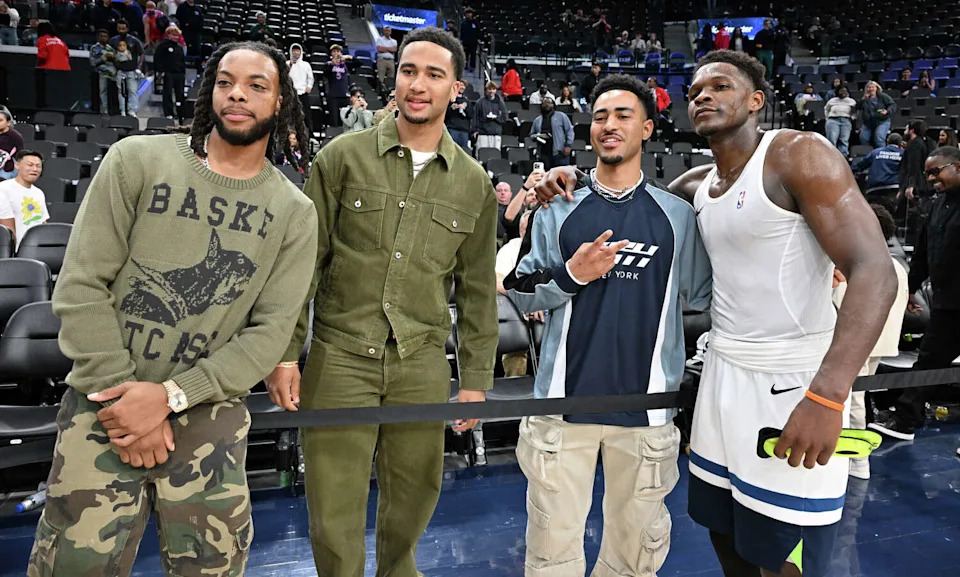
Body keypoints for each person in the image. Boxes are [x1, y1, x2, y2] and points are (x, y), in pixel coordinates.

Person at [533, 49, 897, 577]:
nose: (704, 95)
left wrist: (828, 394)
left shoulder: (799, 154)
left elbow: (875, 271)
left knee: (788, 556)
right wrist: (564, 175)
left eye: (721, 86)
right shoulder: (694, 187)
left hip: (792, 380)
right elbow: (628, 199)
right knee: (726, 537)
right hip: (720, 376)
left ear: (756, 101)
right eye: (696, 91)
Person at [25, 41, 318, 577]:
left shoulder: (294, 212)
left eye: (257, 86)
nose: (237, 94)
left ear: (280, 102)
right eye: (226, 82)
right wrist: (125, 398)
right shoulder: (138, 159)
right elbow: (81, 284)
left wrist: (169, 397)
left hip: (209, 418)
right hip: (104, 408)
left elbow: (269, 334)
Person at [267, 26, 498, 577]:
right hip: (340, 357)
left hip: (421, 361)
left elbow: (477, 290)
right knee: (332, 506)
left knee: (417, 491)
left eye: (434, 75)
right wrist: (285, 353)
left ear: (456, 89)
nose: (418, 85)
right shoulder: (341, 158)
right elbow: (304, 265)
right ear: (394, 80)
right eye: (408, 71)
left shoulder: (474, 184)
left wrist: (475, 379)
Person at [504, 73, 712, 577]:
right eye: (600, 116)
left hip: (647, 412)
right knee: (551, 556)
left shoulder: (678, 217)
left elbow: (707, 295)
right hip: (562, 407)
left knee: (634, 559)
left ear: (647, 128)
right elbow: (519, 287)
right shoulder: (557, 207)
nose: (609, 125)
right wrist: (573, 274)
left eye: (623, 115)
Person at [870, 146, 960, 443]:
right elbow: (922, 253)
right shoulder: (936, 204)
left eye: (936, 171)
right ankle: (905, 420)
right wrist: (909, 289)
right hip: (947, 305)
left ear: (958, 167)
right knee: (928, 363)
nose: (930, 178)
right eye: (927, 173)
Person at [831, 203, 909, 480]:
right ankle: (854, 458)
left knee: (853, 401)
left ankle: (858, 459)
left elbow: (840, 308)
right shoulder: (897, 266)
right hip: (879, 343)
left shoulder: (857, 267)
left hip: (855, 344)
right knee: (856, 398)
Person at [0, 150, 49, 249]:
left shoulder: (39, 193)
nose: (34, 169)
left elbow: (42, 222)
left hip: (36, 249)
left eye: (38, 166)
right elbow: (7, 230)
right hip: (13, 250)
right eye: (30, 165)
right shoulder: (4, 189)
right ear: (17, 165)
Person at [851, 133, 903, 201]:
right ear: (900, 143)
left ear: (887, 140)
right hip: (894, 188)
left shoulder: (876, 152)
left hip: (875, 189)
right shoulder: (903, 153)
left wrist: (848, 169)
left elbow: (860, 166)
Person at [530, 97, 573, 170]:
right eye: (544, 103)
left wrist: (568, 145)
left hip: (559, 152)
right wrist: (537, 136)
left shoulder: (561, 116)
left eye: (549, 103)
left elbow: (569, 131)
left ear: (553, 105)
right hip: (543, 153)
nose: (546, 104)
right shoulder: (537, 120)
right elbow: (532, 135)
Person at [154, 25, 186, 119]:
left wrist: (183, 72)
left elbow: (182, 61)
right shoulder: (162, 46)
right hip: (168, 73)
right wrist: (161, 71)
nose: (175, 37)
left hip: (179, 74)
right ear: (168, 34)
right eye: (173, 35)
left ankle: (180, 113)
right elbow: (157, 59)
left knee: (180, 94)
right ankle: (169, 113)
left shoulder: (179, 47)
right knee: (167, 93)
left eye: (177, 35)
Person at [287, 43, 315, 136]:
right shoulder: (287, 63)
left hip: (303, 93)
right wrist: (290, 64)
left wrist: (309, 86)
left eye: (297, 50)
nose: (296, 52)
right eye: (294, 50)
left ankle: (309, 134)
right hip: (291, 94)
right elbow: (284, 76)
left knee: (306, 116)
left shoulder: (306, 65)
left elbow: (310, 78)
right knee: (290, 116)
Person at [860, 81, 896, 149]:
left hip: (882, 121)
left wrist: (887, 111)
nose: (871, 89)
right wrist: (863, 100)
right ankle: (868, 153)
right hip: (868, 123)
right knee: (863, 138)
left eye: (872, 87)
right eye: (869, 87)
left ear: (876, 88)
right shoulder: (865, 98)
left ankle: (881, 152)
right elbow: (858, 107)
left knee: (879, 138)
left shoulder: (883, 96)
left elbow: (892, 105)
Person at [324, 44, 354, 127]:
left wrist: (349, 57)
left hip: (344, 95)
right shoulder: (328, 64)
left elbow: (359, 63)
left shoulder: (345, 64)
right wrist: (332, 64)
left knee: (346, 120)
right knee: (334, 121)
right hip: (333, 96)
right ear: (331, 54)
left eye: (338, 51)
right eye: (334, 51)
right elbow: (325, 73)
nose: (336, 53)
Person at [474, 81, 507, 151]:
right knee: (482, 154)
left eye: (493, 89)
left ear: (496, 90)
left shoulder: (500, 103)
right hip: (483, 134)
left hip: (496, 134)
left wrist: (496, 118)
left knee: (495, 154)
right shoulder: (479, 102)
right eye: (489, 89)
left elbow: (504, 118)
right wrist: (474, 130)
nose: (491, 91)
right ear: (486, 90)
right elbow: (475, 117)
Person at [825, 85, 857, 156]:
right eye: (841, 91)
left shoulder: (851, 101)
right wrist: (827, 118)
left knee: (844, 140)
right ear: (837, 91)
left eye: (845, 91)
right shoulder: (832, 100)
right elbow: (826, 109)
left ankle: (843, 157)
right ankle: (831, 156)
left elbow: (855, 111)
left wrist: (852, 118)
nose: (843, 92)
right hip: (833, 120)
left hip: (846, 120)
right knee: (832, 140)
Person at [114, 38, 142, 117]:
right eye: (120, 45)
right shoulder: (116, 54)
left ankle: (133, 110)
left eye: (124, 45)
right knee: (121, 92)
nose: (122, 47)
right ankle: (122, 110)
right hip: (120, 72)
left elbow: (138, 56)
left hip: (131, 72)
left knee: (133, 91)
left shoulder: (130, 53)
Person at [445, 82, 473, 152]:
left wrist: (465, 108)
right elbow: (444, 114)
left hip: (464, 131)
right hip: (452, 129)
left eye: (463, 86)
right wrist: (451, 108)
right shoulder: (450, 99)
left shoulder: (467, 101)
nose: (462, 87)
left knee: (464, 151)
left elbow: (471, 115)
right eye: (460, 85)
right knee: (451, 150)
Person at [0, 105, 24, 180]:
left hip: (8, 167)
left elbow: (20, 154)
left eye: (0, 120)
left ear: (8, 123)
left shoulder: (15, 136)